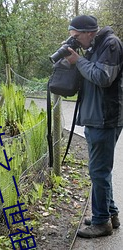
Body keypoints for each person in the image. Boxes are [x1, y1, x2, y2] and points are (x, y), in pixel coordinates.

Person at [65, 15, 123, 238]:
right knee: (100, 171)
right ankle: (110, 214)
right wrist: (75, 60)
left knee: (98, 171)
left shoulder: (111, 44)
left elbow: (102, 77)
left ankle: (101, 223)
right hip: (95, 117)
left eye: (77, 37)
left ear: (89, 32)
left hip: (105, 118)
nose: (76, 41)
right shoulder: (94, 46)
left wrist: (78, 61)